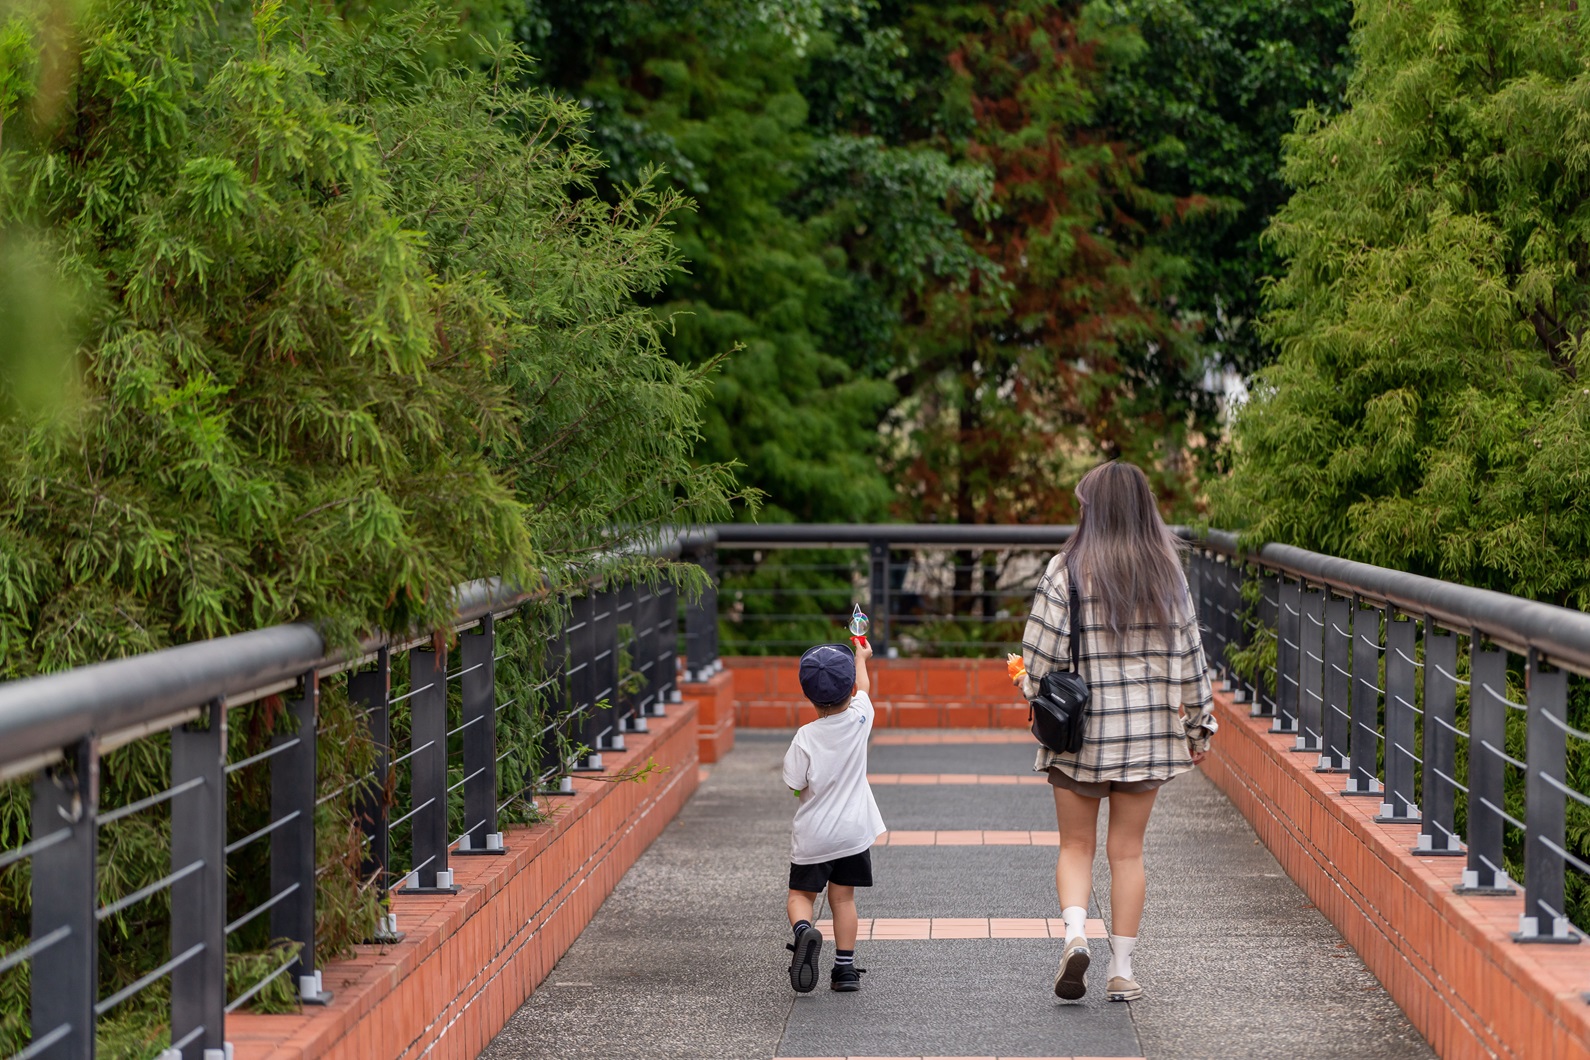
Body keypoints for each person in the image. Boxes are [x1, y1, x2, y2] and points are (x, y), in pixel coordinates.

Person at [1014, 460, 1216, 1003]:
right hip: (1148, 738)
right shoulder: (1169, 575)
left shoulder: (1066, 570)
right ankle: (1121, 970)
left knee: (1076, 846)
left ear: (1092, 511)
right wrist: (1199, 731)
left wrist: (1033, 697)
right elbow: (1194, 662)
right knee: (1127, 853)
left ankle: (1076, 934)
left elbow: (1037, 664)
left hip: (1081, 740)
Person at [782, 639, 886, 994]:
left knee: (800, 897)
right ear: (850, 690)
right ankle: (844, 970)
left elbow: (794, 783)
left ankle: (804, 933)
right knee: (843, 899)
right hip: (853, 833)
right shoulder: (861, 717)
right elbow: (866, 689)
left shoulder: (805, 737)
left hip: (814, 836)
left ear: (808, 696)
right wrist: (861, 658)